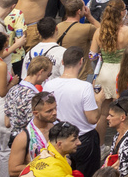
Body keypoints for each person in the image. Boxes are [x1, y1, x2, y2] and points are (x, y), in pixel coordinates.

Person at [44, 46, 106, 177]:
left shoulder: (49, 85)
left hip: (60, 139)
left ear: (62, 62)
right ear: (81, 62)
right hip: (84, 140)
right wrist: (99, 101)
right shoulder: (84, 87)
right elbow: (93, 118)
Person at [8, 90, 57, 177]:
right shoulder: (23, 138)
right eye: (49, 111)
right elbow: (13, 170)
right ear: (36, 113)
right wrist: (44, 166)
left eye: (55, 108)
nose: (54, 113)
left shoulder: (57, 127)